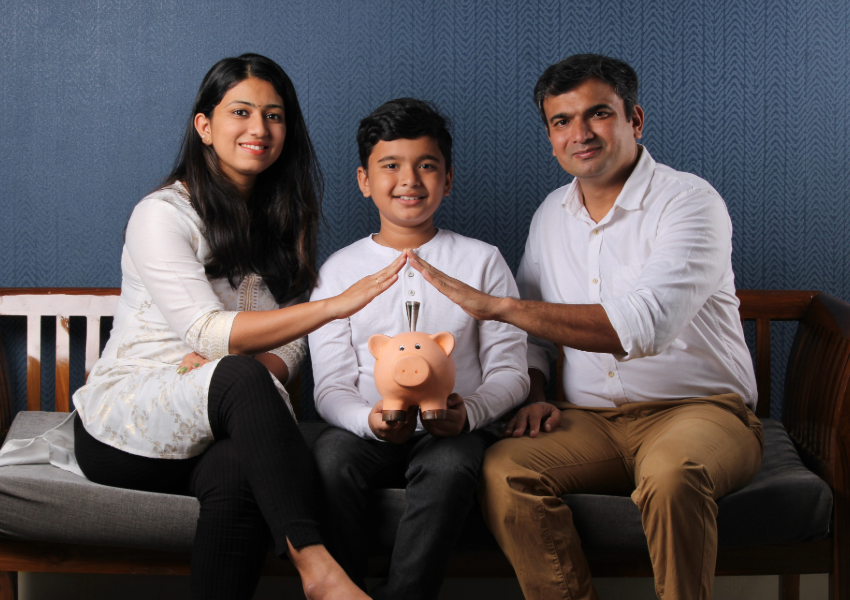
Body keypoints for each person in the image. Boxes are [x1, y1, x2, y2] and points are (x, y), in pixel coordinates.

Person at [406, 54, 763, 600]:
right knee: (503, 471)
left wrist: (498, 307)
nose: (580, 134)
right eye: (561, 121)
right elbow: (536, 335)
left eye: (598, 114)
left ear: (634, 120)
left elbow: (643, 326)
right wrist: (539, 393)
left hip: (700, 410)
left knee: (672, 475)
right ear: (550, 136)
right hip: (589, 422)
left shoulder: (690, 202)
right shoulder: (551, 214)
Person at [71, 53, 404, 600]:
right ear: (205, 125)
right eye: (241, 112)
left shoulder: (282, 218)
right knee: (238, 377)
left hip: (219, 427)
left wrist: (253, 364)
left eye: (275, 116)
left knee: (238, 474)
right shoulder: (161, 214)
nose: (260, 129)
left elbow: (291, 341)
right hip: (127, 422)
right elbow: (207, 331)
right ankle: (319, 569)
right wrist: (334, 306)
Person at [307, 98, 530, 600]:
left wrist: (468, 413)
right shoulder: (339, 273)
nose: (409, 180)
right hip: (364, 427)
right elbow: (331, 385)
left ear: (447, 179)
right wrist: (368, 421)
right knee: (329, 461)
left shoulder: (482, 262)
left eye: (426, 166)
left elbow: (511, 371)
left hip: (451, 428)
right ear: (365, 180)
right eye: (391, 166)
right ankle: (346, 591)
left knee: (451, 467)